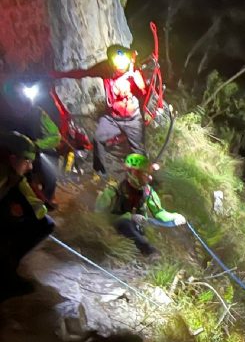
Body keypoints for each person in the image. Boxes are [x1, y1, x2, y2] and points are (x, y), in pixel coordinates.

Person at [55, 44, 147, 175]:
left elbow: (144, 93)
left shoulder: (133, 72)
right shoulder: (105, 69)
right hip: (112, 117)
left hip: (132, 118)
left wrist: (136, 79)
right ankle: (100, 173)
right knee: (98, 139)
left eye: (123, 63)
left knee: (138, 151)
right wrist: (59, 75)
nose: (120, 67)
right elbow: (83, 72)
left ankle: (144, 180)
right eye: (117, 64)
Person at [94, 153, 185, 256]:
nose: (149, 178)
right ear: (133, 173)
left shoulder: (147, 191)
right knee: (125, 223)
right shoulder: (114, 189)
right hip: (118, 223)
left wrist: (174, 217)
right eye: (145, 174)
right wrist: (129, 217)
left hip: (138, 224)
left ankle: (143, 243)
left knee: (152, 222)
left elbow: (159, 212)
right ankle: (148, 251)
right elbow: (99, 212)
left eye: (149, 174)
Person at [0, 131, 54, 299]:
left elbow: (27, 192)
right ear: (12, 158)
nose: (30, 167)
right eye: (27, 161)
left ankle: (8, 268)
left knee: (45, 224)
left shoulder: (14, 173)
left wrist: (39, 210)